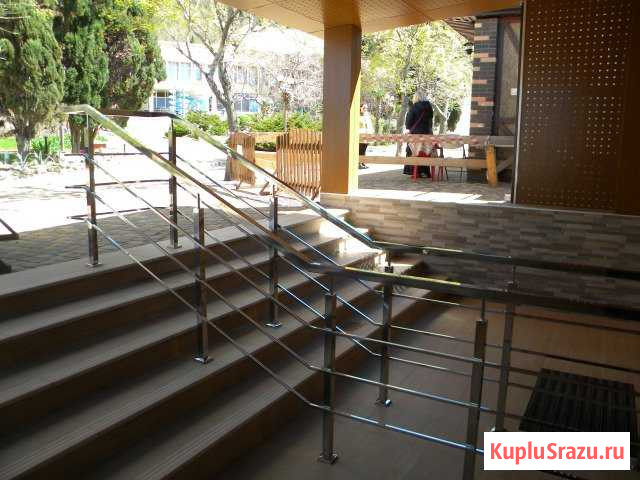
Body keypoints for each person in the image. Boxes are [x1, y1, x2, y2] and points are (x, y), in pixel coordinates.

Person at [403, 91, 434, 177]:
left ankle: (414, 171)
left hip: (415, 133)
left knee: (414, 150)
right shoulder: (429, 108)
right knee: (425, 151)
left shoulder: (414, 107)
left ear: (416, 97)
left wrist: (408, 127)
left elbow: (409, 122)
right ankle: (424, 171)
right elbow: (430, 122)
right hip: (427, 133)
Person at [358, 103, 373, 169]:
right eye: (364, 108)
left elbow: (370, 125)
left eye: (366, 108)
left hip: (367, 135)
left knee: (364, 150)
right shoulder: (357, 116)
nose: (365, 109)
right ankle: (359, 163)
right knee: (360, 150)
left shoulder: (367, 116)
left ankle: (363, 163)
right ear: (360, 108)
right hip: (360, 136)